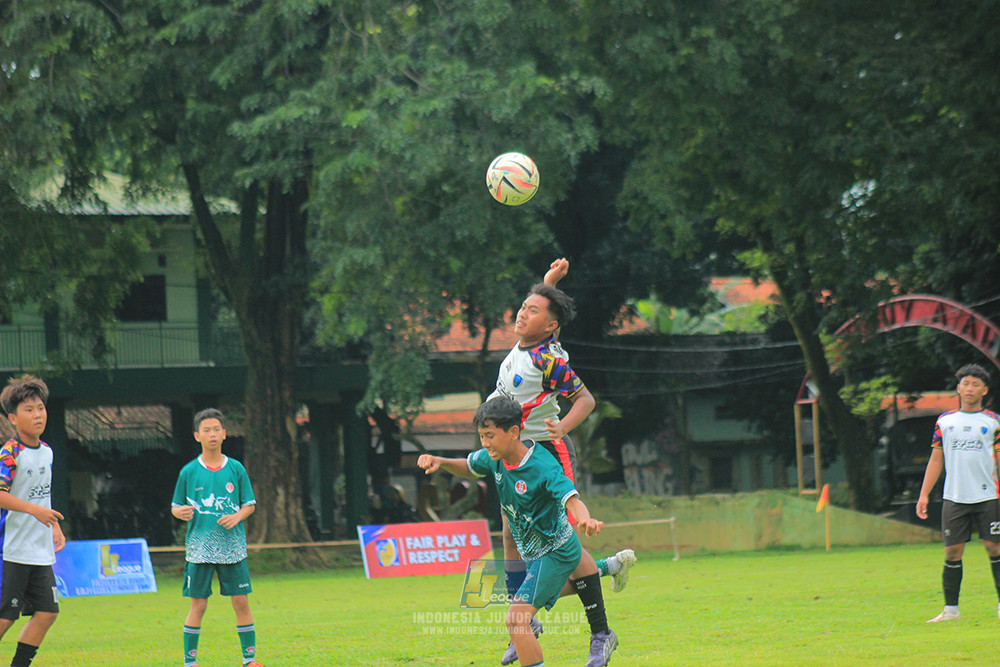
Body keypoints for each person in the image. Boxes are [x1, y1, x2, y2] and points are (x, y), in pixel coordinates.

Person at [486, 263, 629, 666]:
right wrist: (549, 285)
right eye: (524, 306)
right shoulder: (527, 343)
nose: (522, 313)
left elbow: (586, 400)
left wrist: (560, 426)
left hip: (542, 453)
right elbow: (547, 315)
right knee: (510, 533)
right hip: (513, 451)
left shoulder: (549, 361)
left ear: (548, 327)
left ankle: (601, 633)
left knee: (566, 546)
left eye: (532, 310)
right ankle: (531, 625)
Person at [419, 396, 613, 667]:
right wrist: (441, 460)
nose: (485, 443)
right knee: (534, 606)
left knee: (516, 619)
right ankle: (606, 567)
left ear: (513, 432)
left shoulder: (542, 466)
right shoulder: (495, 456)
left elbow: (572, 499)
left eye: (489, 436)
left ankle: (604, 572)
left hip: (555, 551)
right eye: (482, 436)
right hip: (534, 554)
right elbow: (470, 467)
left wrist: (586, 520)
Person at [171, 408, 262, 667]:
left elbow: (250, 504)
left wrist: (238, 516)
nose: (212, 434)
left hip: (233, 549)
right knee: (198, 604)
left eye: (216, 429)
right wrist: (180, 512)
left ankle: (249, 660)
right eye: (206, 430)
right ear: (197, 435)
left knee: (241, 601)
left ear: (225, 434)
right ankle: (190, 662)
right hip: (199, 549)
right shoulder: (188, 472)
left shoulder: (236, 468)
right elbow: (175, 506)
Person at [916, 363, 1000, 622]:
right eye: (966, 383)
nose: (970, 388)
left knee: (994, 548)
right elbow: (936, 460)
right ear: (958, 388)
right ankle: (951, 610)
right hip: (954, 497)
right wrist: (924, 494)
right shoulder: (945, 421)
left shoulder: (994, 422)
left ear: (984, 390)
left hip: (988, 496)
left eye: (976, 384)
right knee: (953, 552)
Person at [0, 376, 65, 667]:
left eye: (41, 408)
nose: (38, 414)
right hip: (12, 549)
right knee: (5, 617)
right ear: (13, 418)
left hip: (38, 550)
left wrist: (54, 524)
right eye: (29, 409)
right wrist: (34, 511)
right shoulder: (10, 453)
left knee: (48, 612)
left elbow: (43, 498)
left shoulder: (48, 452)